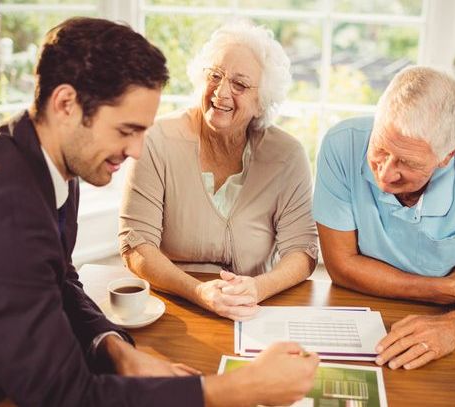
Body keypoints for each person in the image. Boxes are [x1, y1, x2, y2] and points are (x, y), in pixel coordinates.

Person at [0, 17, 317, 406]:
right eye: (126, 131)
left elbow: (58, 276)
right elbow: (68, 395)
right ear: (66, 105)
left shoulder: (43, 152)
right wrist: (237, 388)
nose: (136, 150)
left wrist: (113, 347)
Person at [313, 66, 455, 371]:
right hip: (361, 310)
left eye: (407, 162)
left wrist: (454, 326)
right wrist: (440, 288)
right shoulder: (341, 144)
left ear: (450, 154)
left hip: (449, 327)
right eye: (380, 148)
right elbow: (341, 265)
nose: (386, 173)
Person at [119, 23, 318, 321]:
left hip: (252, 311)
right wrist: (198, 292)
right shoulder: (157, 141)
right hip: (174, 305)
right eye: (215, 76)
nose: (221, 92)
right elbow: (135, 244)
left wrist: (257, 288)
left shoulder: (287, 156)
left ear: (261, 101)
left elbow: (302, 250)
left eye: (239, 84)